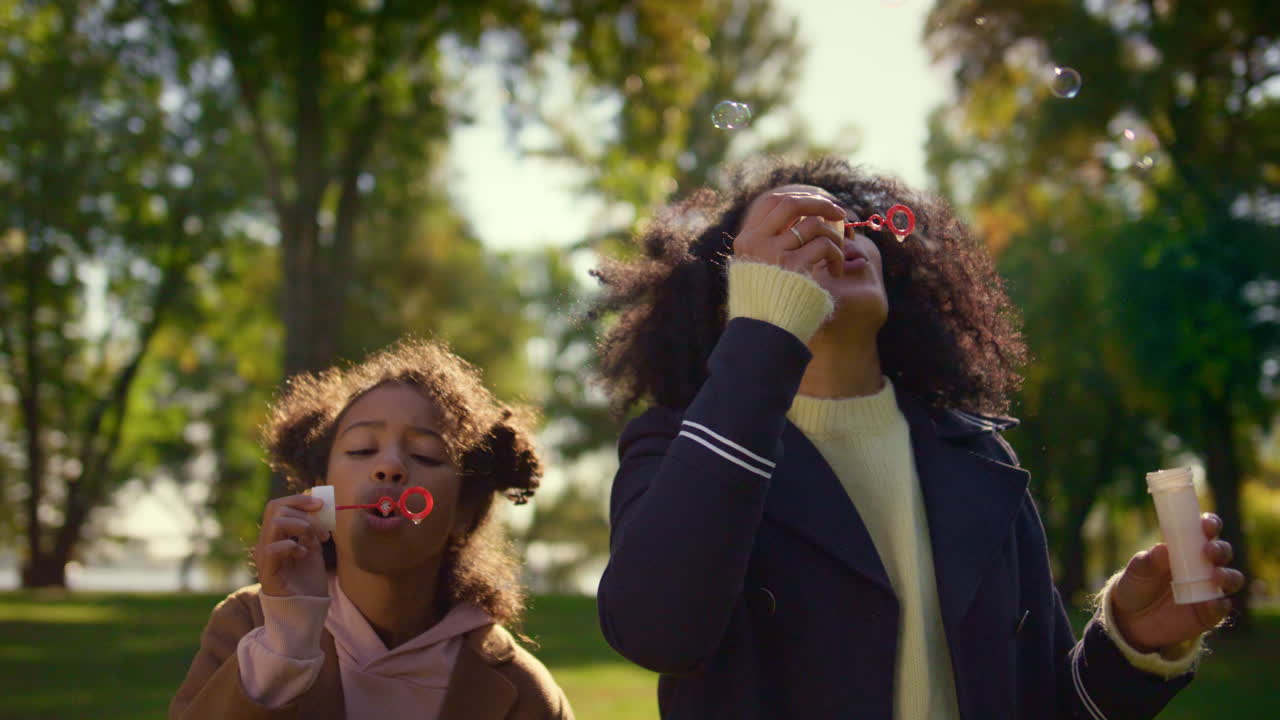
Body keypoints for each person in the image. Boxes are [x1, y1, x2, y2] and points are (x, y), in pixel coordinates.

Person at [591, 157, 1244, 719]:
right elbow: (657, 631)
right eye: (786, 234)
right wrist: (765, 328)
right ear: (731, 291)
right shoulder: (679, 446)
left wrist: (1130, 644)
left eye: (845, 222)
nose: (827, 234)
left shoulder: (981, 459)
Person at [171, 338, 573, 720]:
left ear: (465, 511)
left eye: (425, 455)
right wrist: (285, 642)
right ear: (321, 493)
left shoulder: (524, 693)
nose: (389, 466)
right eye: (362, 449)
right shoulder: (247, 624)